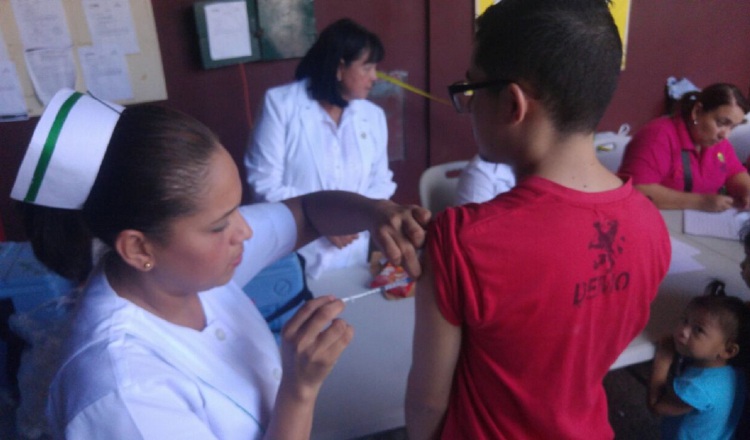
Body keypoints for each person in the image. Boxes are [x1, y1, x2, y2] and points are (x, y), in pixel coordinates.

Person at [10, 88, 429, 439]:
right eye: (219, 224)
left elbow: (307, 213)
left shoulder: (179, 274)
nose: (244, 232)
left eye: (237, 209)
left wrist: (375, 213)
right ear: (139, 249)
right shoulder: (123, 396)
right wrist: (299, 391)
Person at [405, 1, 671, 439]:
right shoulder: (649, 223)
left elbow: (428, 400)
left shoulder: (462, 241)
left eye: (472, 88)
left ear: (512, 103)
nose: (468, 104)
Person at [245, 18, 395, 280]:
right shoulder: (281, 105)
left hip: (353, 249)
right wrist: (323, 220)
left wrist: (357, 217)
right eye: (367, 67)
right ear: (340, 67)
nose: (375, 77)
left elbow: (381, 181)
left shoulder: (373, 116)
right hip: (297, 249)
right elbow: (263, 183)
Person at [618, 83, 750, 212]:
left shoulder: (718, 143)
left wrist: (746, 189)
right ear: (697, 112)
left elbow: (734, 172)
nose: (725, 135)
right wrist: (700, 202)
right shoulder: (657, 136)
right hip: (656, 221)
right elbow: (638, 189)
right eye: (721, 123)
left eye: (732, 127)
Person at [648, 281, 749, 439]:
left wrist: (662, 362)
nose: (683, 331)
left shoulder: (696, 388)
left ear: (728, 350)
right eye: (685, 320)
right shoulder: (735, 372)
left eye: (698, 330)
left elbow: (656, 406)